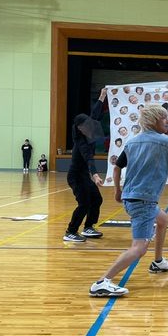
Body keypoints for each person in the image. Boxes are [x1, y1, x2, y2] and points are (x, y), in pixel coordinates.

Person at [89, 105, 168, 297]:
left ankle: (158, 262)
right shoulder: (166, 142)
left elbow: (117, 167)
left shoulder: (132, 142)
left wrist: (117, 191)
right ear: (154, 121)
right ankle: (102, 282)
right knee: (139, 248)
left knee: (163, 220)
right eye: (164, 118)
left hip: (134, 198)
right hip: (143, 201)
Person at [63, 88, 107, 242]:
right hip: (75, 177)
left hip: (83, 176)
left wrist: (102, 96)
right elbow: (89, 158)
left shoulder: (89, 130)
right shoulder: (81, 143)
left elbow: (95, 114)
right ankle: (70, 231)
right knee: (84, 203)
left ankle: (88, 227)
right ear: (80, 128)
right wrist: (95, 175)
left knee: (97, 199)